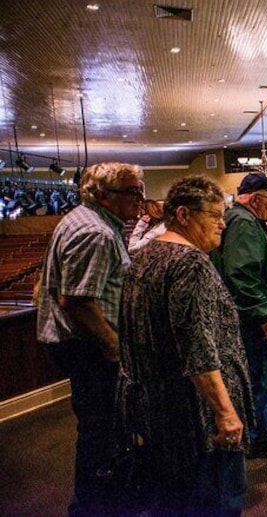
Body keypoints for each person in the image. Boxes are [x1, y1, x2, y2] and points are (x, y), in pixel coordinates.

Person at [119, 175, 253, 515]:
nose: (223, 223)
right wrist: (225, 413)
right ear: (183, 214)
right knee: (214, 501)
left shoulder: (146, 255)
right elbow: (198, 349)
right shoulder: (189, 263)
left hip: (158, 412)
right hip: (198, 422)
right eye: (215, 214)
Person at [36, 162, 144, 516]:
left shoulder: (84, 220)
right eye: (131, 191)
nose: (139, 199)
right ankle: (96, 507)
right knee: (104, 432)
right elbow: (78, 302)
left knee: (104, 429)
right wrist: (114, 349)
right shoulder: (95, 233)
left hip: (84, 347)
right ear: (101, 195)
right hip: (90, 349)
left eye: (139, 189)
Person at [213, 172, 267, 458]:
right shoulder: (244, 225)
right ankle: (257, 436)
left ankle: (262, 431)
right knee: (258, 377)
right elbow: (242, 275)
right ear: (255, 199)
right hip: (252, 320)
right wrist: (264, 315)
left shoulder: (247, 222)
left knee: (260, 376)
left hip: (250, 317)